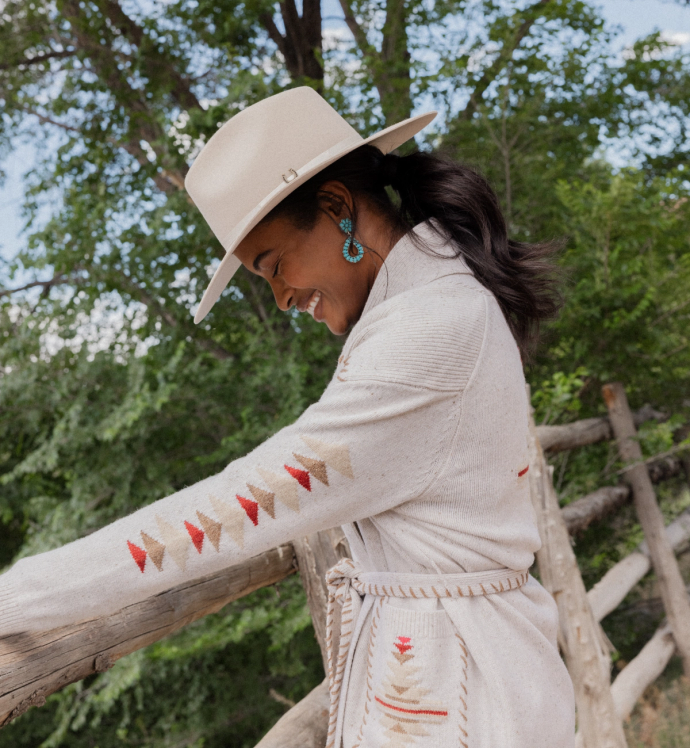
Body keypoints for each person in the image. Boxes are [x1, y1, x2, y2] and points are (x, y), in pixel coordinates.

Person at [0, 87, 575, 747]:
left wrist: (13, 600)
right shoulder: (437, 303)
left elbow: (229, 508)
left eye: (273, 265)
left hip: (464, 698)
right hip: (468, 677)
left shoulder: (426, 333)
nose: (278, 298)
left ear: (336, 208)